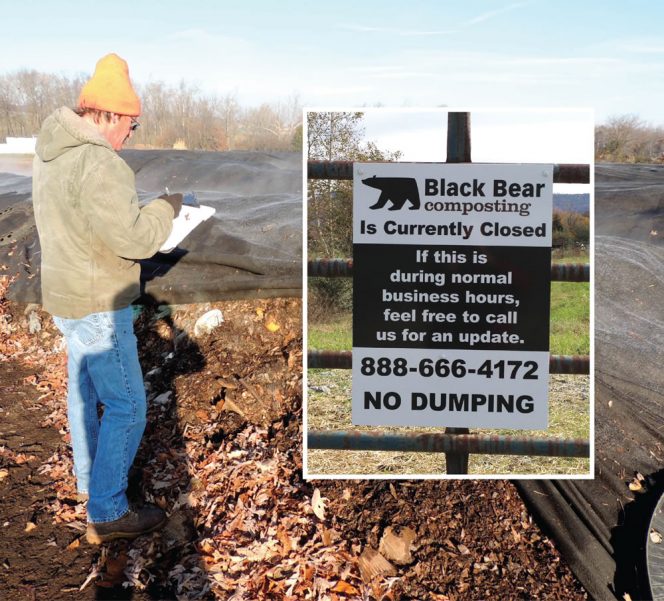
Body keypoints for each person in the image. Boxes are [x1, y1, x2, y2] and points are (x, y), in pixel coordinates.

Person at [32, 53, 183, 544]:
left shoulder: (50, 147)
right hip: (98, 299)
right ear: (111, 116)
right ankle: (109, 511)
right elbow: (136, 240)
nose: (130, 136)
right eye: (131, 125)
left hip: (63, 293)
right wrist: (166, 207)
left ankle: (88, 484)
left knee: (85, 395)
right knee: (128, 406)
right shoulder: (99, 162)